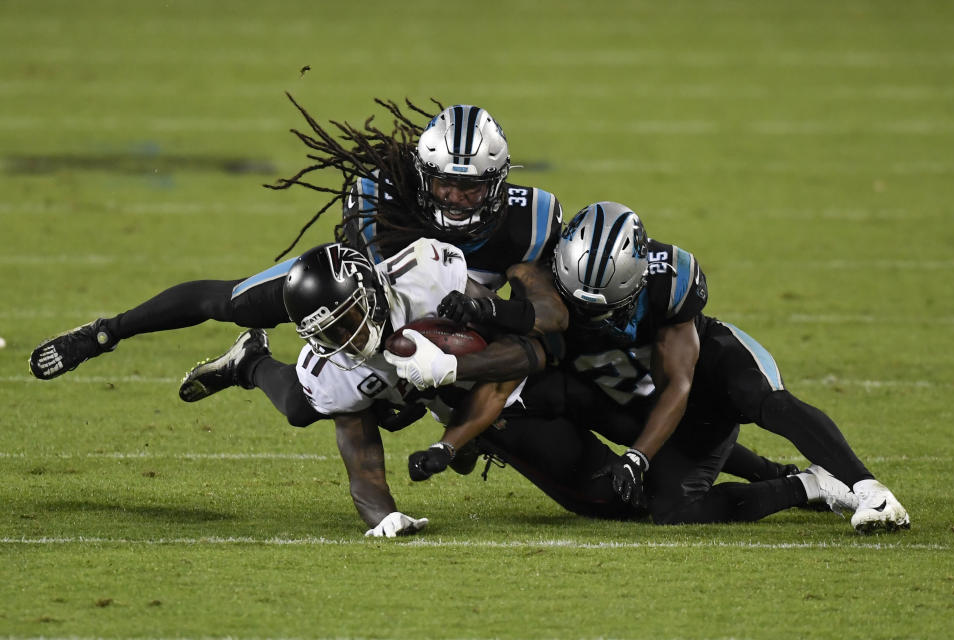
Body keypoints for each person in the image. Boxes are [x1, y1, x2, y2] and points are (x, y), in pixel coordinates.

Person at [28, 98, 567, 383]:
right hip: (375, 302)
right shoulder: (383, 197)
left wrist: (484, 315)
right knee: (232, 301)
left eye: (470, 188)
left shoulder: (534, 219)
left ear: (497, 184)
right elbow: (370, 297)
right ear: (421, 174)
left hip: (466, 334)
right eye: (444, 183)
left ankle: (250, 367)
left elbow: (547, 319)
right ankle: (103, 333)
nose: (454, 198)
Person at [503, 201, 908, 532]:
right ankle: (811, 484)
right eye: (577, 304)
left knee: (761, 397)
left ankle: (872, 491)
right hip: (648, 385)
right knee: (673, 510)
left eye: (605, 306)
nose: (589, 316)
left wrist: (636, 458)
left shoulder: (668, 280)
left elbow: (680, 384)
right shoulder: (539, 273)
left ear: (636, 281)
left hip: (708, 368)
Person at [180, 239, 537, 536]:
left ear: (370, 293)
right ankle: (250, 362)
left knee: (482, 443)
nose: (345, 338)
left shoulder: (426, 282)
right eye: (327, 333)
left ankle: (465, 430)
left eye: (348, 319)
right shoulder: (336, 365)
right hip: (397, 389)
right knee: (298, 407)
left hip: (466, 375)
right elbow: (362, 459)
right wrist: (386, 518)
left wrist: (460, 353)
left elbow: (521, 342)